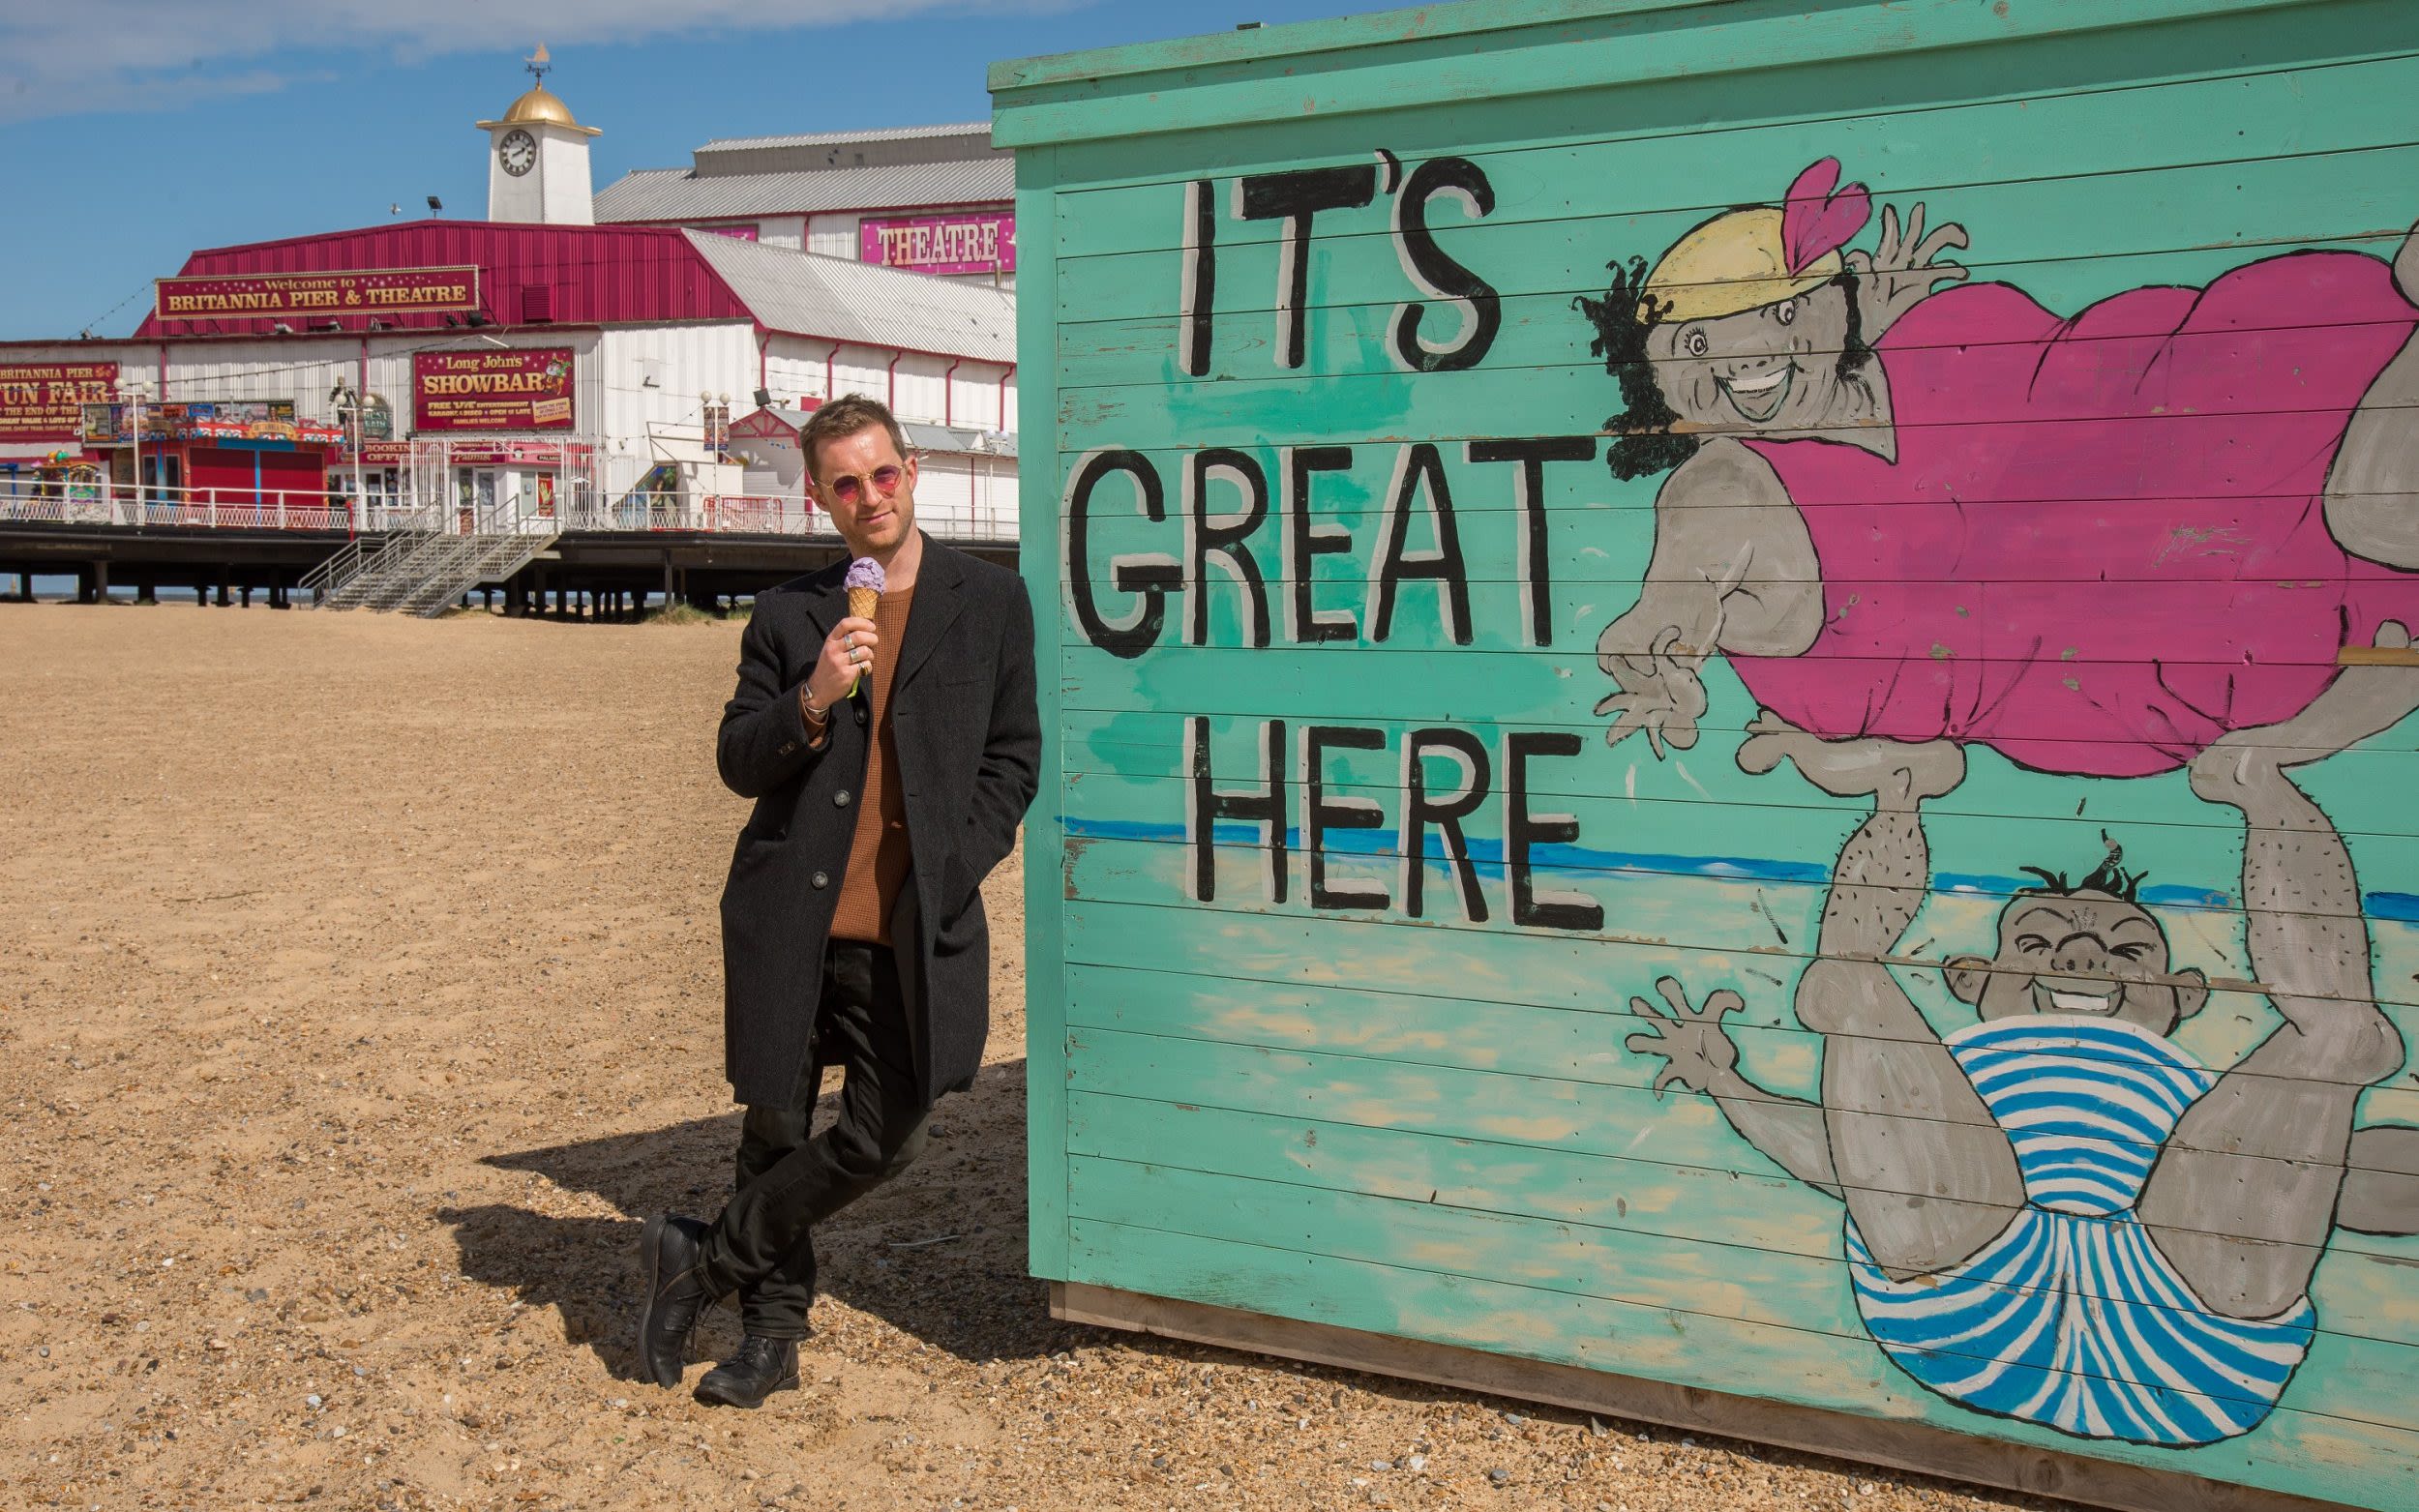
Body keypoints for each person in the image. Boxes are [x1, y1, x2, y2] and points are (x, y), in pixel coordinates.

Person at [1624, 652, 2419, 1445]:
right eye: (2038, 941)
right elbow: (1846, 1157)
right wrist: (1726, 1080)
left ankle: (2261, 784)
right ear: (1971, 978)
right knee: (1848, 990)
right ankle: (1898, 799)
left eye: (2126, 952)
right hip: (1967, 1293)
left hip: (2194, 1334)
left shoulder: (2203, 1106)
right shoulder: (1952, 1085)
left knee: (2341, 1039)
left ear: (2183, 997)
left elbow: (2333, 1178)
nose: (2079, 960)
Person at [1576, 158, 2419, 777]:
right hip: (2178, 606)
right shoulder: (1722, 485)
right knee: (2363, 512)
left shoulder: (1923, 342)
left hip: (2209, 416)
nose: (1747, 353)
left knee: (2346, 474)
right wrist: (1664, 647)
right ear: (1650, 379)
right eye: (1694, 342)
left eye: (1783, 310)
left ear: (1838, 302)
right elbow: (1680, 592)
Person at [637, 393, 1040, 1408]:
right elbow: (738, 760)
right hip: (788, 917)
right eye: (846, 483)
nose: (870, 497)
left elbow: (1014, 756)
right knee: (773, 1131)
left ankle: (703, 1258)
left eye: (884, 474)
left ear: (914, 471)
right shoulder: (788, 615)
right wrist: (813, 694)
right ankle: (770, 1339)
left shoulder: (990, 601)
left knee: (887, 1134)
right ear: (819, 495)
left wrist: (957, 862)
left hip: (908, 927)